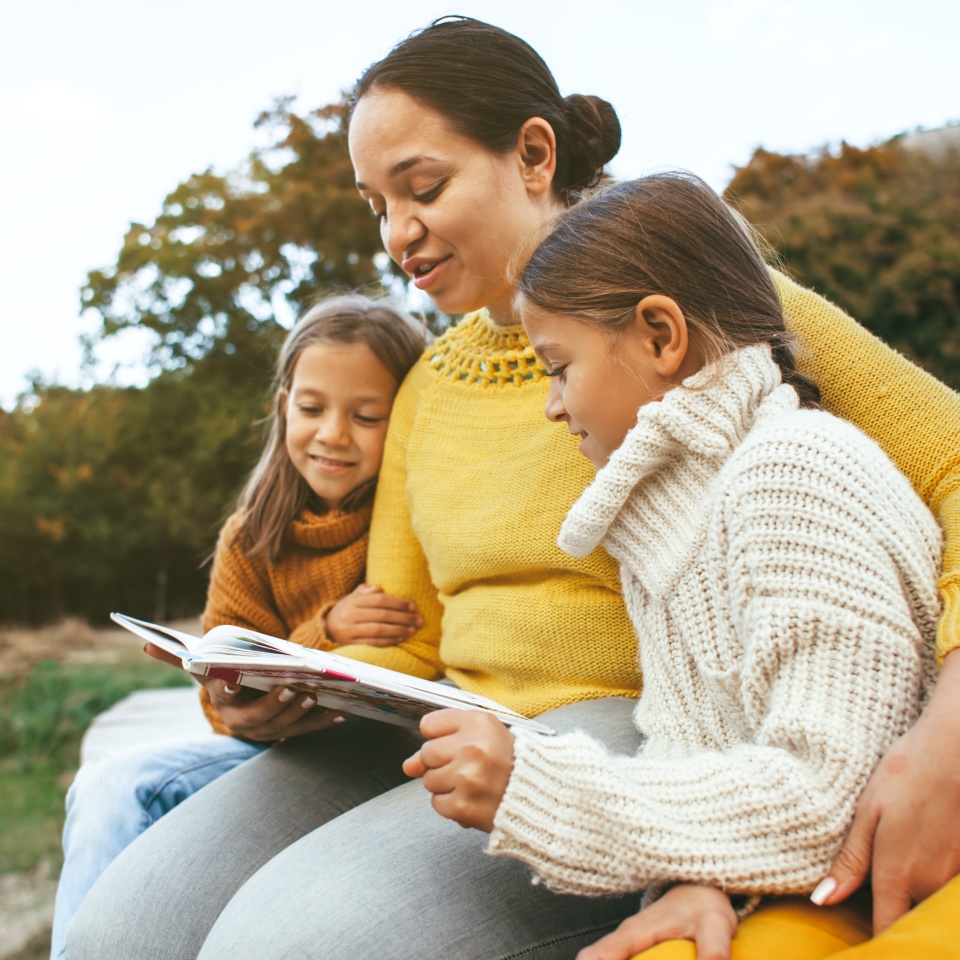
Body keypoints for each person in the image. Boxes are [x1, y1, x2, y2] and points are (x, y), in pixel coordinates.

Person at [66, 17, 960, 960]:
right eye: (376, 205)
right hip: (447, 724)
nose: (397, 232)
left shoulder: (696, 306)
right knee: (127, 927)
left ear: (534, 154)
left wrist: (950, 725)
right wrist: (294, 694)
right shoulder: (426, 386)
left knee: (282, 942)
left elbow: (950, 460)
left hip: (628, 729)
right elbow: (409, 634)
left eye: (423, 188)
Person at [404, 170, 943, 959]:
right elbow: (690, 753)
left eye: (558, 368)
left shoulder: (792, 475)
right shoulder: (663, 528)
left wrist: (539, 785)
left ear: (661, 335)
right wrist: (691, 879)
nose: (553, 407)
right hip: (805, 876)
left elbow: (828, 798)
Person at [51, 294, 425, 959]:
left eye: (366, 416)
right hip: (277, 752)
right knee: (111, 785)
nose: (333, 434)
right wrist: (248, 696)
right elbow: (222, 698)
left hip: (378, 760)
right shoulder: (253, 535)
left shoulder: (410, 520)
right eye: (311, 409)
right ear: (283, 406)